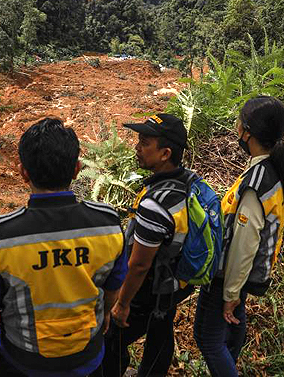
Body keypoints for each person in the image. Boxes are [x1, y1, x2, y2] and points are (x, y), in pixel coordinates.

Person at [0, 117, 128, 377]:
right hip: (87, 356)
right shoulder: (107, 224)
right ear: (77, 169)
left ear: (23, 172)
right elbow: (113, 285)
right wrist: (105, 315)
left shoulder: (0, 236)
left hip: (22, 361)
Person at [193, 96, 284, 377]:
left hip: (228, 274)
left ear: (248, 132)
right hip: (245, 274)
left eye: (239, 122)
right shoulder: (274, 166)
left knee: (207, 337)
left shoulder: (256, 184)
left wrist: (231, 292)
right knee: (232, 326)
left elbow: (244, 245)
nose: (236, 127)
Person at [94, 113, 197, 377]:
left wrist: (123, 302)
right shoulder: (188, 182)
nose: (137, 148)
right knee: (160, 327)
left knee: (110, 337)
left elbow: (139, 264)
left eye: (144, 142)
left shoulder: (157, 202)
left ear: (165, 153)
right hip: (174, 281)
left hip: (150, 285)